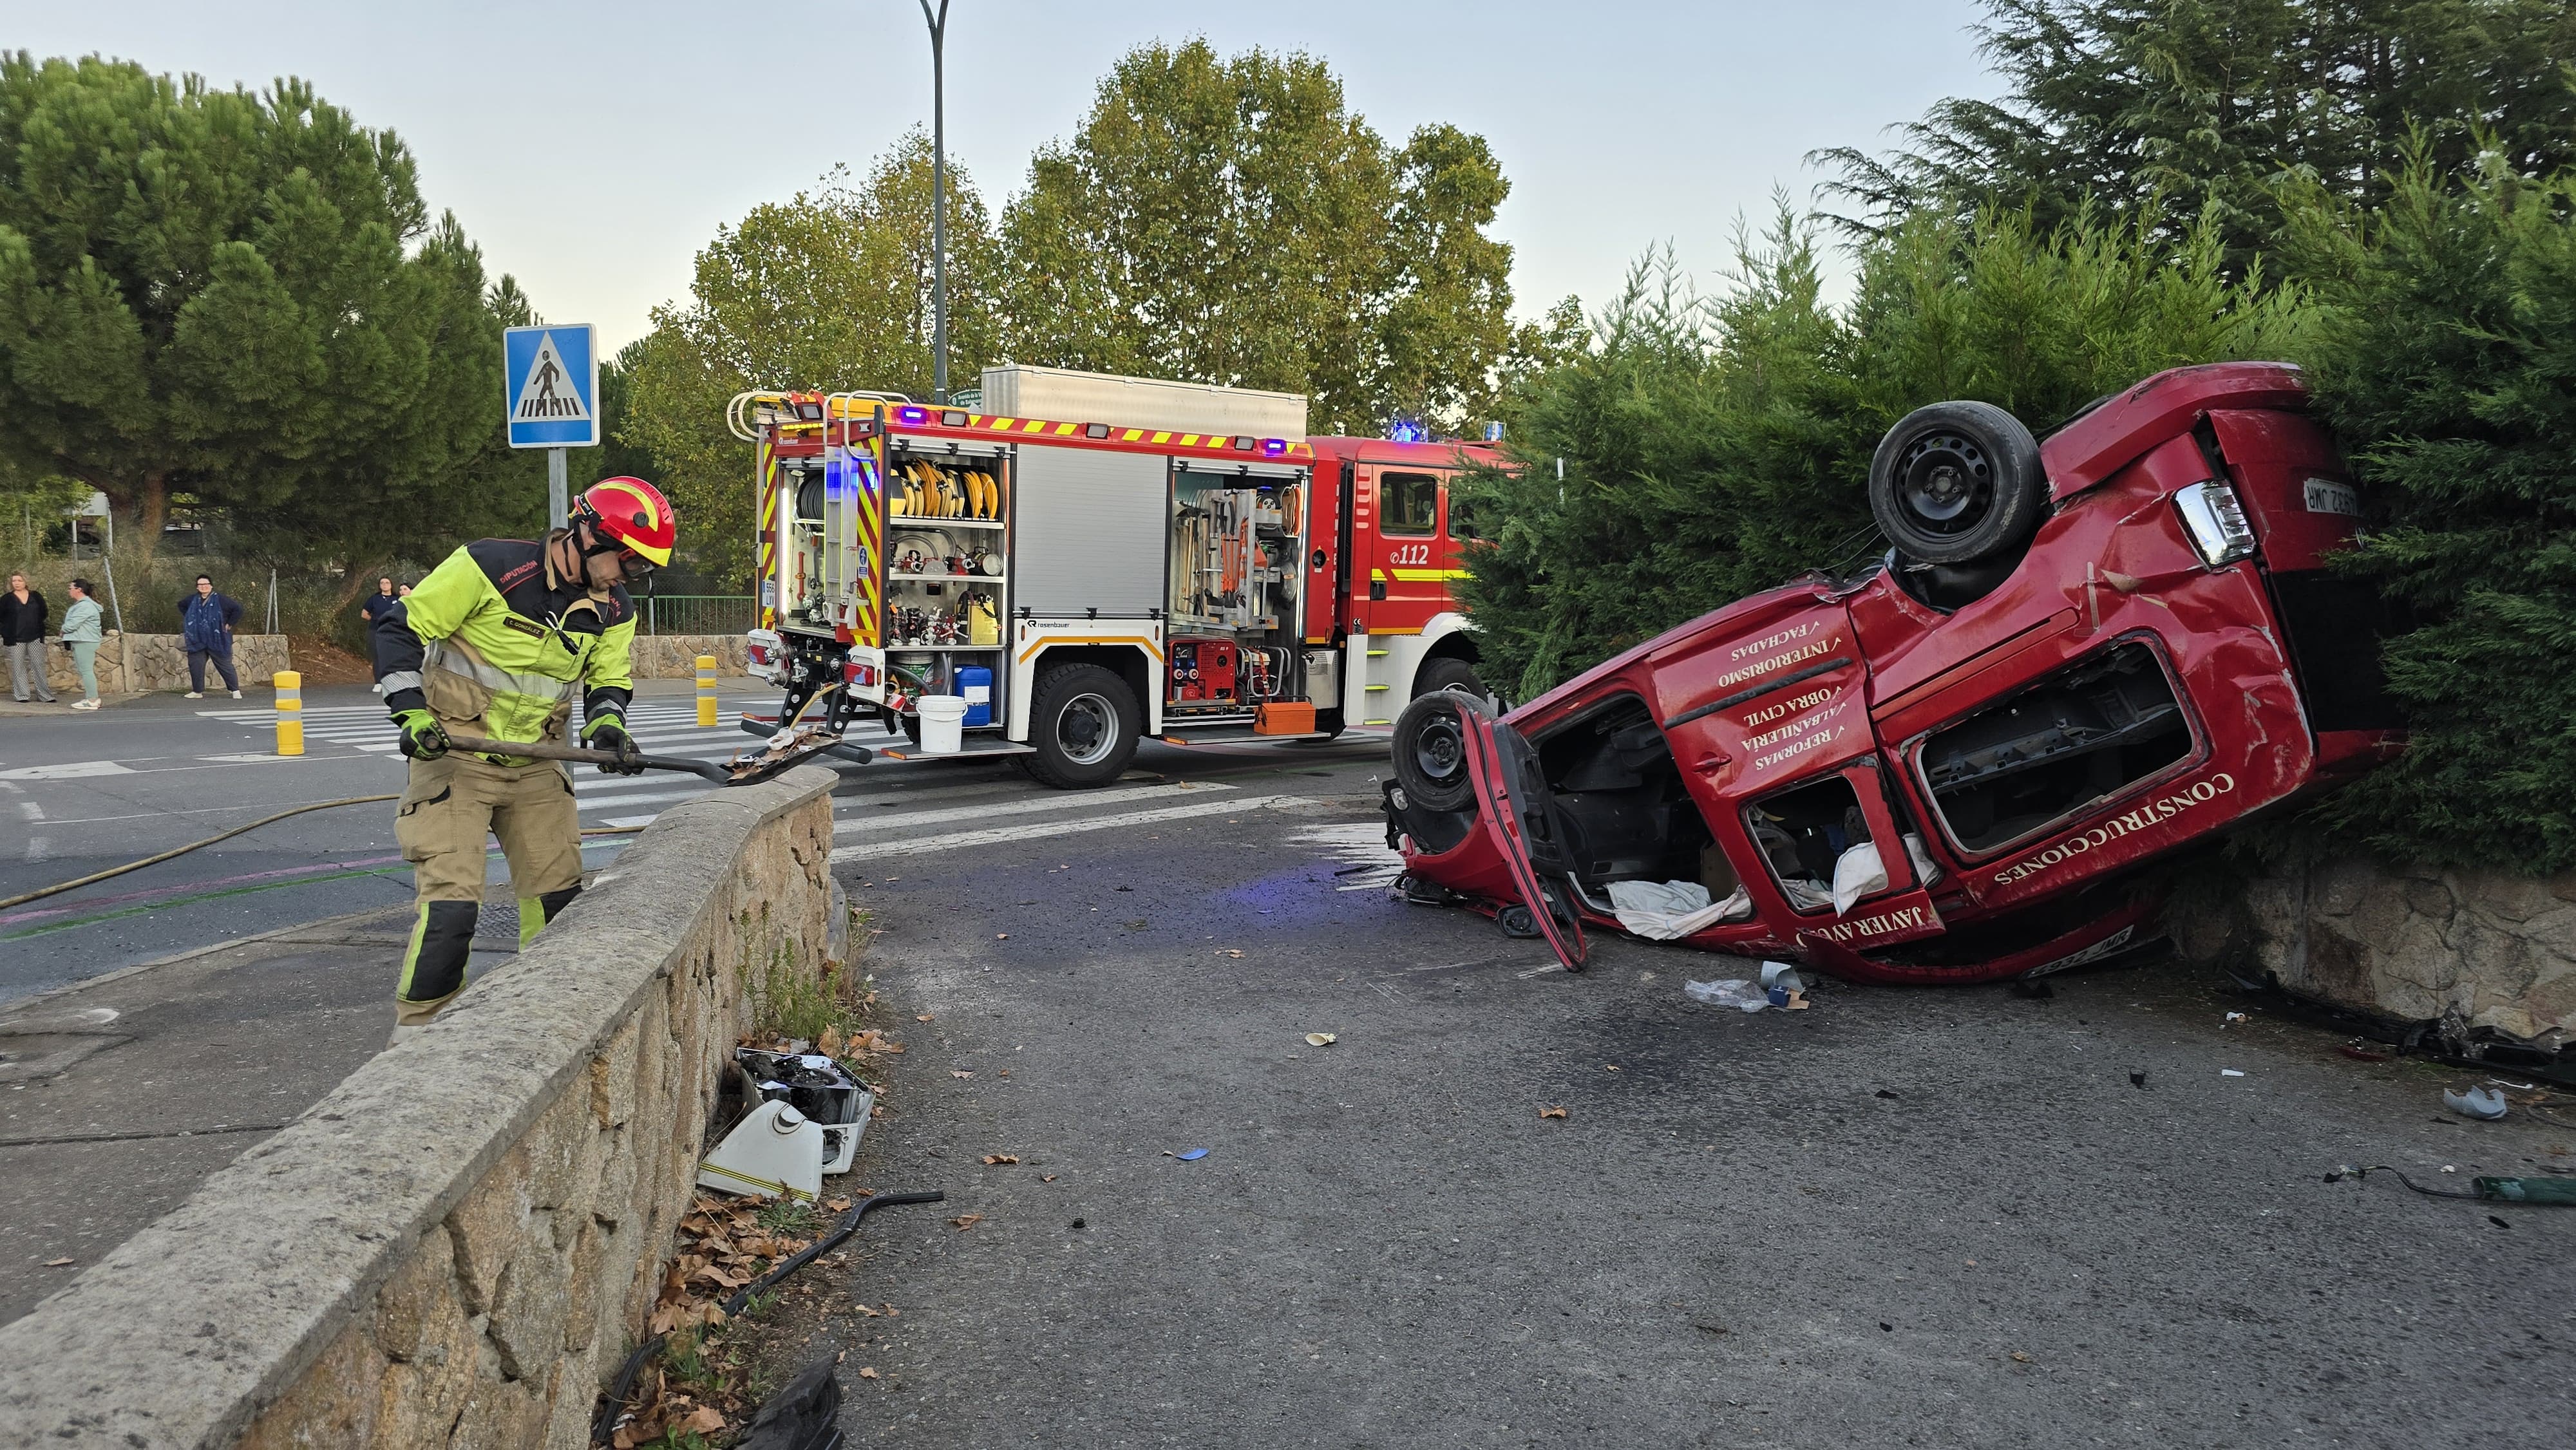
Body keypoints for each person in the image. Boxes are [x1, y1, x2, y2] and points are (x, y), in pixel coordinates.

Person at [373, 476, 676, 1041]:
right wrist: (410, 712)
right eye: (627, 562)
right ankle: (417, 1039)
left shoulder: (615, 609)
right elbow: (402, 628)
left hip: (536, 762)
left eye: (640, 570)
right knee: (451, 914)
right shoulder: (488, 566)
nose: (628, 577)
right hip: (456, 755)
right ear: (587, 534)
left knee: (559, 906)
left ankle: (543, 1030)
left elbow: (608, 680)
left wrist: (609, 728)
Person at [179, 574, 243, 700]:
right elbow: (181, 605)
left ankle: (235, 690)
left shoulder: (221, 599)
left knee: (225, 665)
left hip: (218, 639)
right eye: (200, 585)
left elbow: (238, 609)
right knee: (196, 665)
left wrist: (229, 624)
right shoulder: (192, 600)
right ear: (197, 587)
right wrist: (191, 619)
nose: (203, 587)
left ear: (211, 586)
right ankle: (197, 692)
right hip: (197, 639)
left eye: (206, 584)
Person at [1, 572, 55, 704]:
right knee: (18, 667)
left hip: (35, 637)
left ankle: (44, 695)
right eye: (14, 581)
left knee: (38, 666)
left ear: (26, 581)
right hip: (16, 639)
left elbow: (44, 613)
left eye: (20, 580)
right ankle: (22, 695)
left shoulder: (36, 597)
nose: (17, 583)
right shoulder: (7, 599)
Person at [59, 578, 103, 710]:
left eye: (71, 588)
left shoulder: (85, 606)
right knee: (85, 670)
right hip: (82, 640)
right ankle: (91, 698)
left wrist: (63, 629)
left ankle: (92, 700)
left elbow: (74, 623)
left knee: (87, 670)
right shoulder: (83, 605)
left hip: (85, 640)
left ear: (79, 590)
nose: (69, 591)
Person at [359, 576, 397, 693]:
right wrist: (375, 620)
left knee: (392, 657)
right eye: (382, 583)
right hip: (376, 631)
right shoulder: (374, 599)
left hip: (392, 632)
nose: (385, 585)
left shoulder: (397, 599)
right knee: (377, 657)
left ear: (391, 585)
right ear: (379, 586)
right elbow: (364, 614)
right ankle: (378, 683)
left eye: (387, 583)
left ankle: (391, 682)